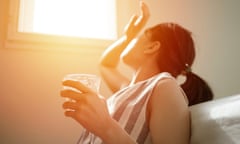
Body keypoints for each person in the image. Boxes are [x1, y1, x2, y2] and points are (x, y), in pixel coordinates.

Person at [60, 1, 213, 144]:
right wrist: (128, 37)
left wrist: (106, 127)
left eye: (139, 37)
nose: (132, 40)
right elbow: (105, 64)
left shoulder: (164, 88)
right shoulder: (129, 90)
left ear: (151, 47)